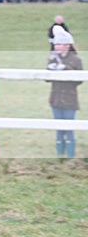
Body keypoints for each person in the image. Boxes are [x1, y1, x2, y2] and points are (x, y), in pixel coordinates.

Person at [46, 26, 82, 158]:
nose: (56, 47)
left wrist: (65, 69)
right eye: (55, 44)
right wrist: (50, 69)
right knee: (58, 130)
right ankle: (60, 156)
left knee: (69, 129)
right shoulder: (52, 58)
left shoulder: (76, 60)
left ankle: (71, 156)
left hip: (70, 100)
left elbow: (79, 80)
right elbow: (46, 79)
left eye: (59, 44)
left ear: (67, 45)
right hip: (55, 99)